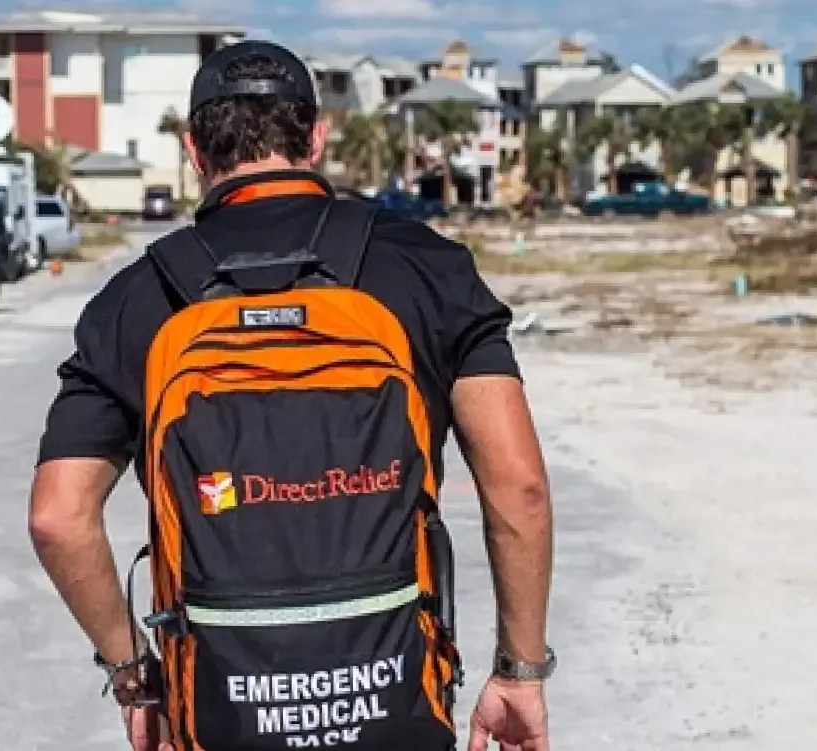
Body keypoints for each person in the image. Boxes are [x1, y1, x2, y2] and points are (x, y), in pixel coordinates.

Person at [29, 40, 555, 751]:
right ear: (315, 136)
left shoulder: (133, 302)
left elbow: (58, 517)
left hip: (219, 712)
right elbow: (517, 487)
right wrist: (519, 671)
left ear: (193, 151)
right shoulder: (428, 268)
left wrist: (135, 674)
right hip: (394, 703)